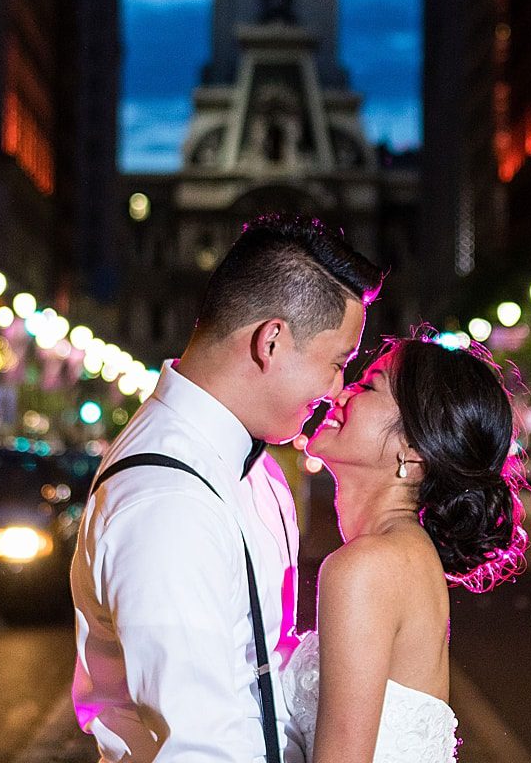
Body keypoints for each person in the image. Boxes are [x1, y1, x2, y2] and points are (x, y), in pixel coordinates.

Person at [72, 214, 382, 763]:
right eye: (337, 363)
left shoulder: (245, 462)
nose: (338, 390)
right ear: (272, 341)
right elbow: (196, 748)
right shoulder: (168, 501)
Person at [283, 337, 527, 763]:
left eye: (367, 388)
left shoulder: (367, 565)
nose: (339, 392)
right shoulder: (405, 553)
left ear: (413, 453)